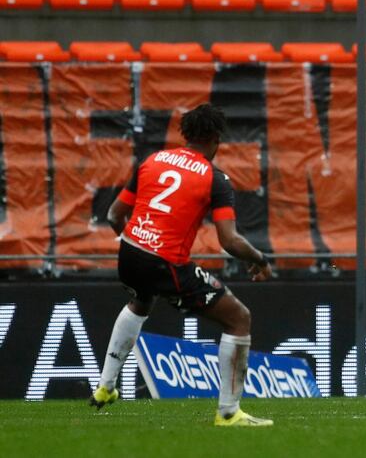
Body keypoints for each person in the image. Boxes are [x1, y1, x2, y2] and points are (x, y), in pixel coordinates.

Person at [90, 104, 274, 427]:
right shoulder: (215, 179)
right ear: (216, 139)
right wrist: (258, 259)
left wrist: (137, 244)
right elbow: (228, 241)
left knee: (140, 300)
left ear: (186, 134)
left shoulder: (152, 161)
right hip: (165, 262)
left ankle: (105, 388)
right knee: (239, 319)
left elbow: (113, 215)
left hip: (129, 252)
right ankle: (229, 413)